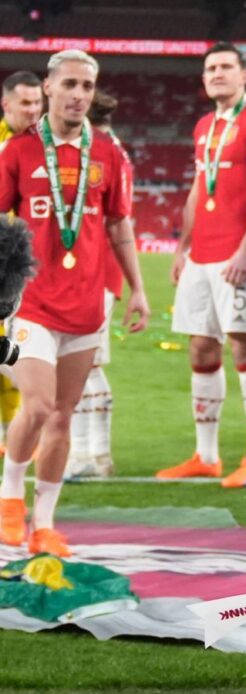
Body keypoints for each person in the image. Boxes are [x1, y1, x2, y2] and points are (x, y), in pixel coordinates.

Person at [0, 50, 149, 557]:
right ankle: (9, 499)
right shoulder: (19, 150)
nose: (79, 94)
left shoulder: (107, 152)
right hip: (33, 301)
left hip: (87, 305)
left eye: (87, 86)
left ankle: (44, 521)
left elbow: (118, 225)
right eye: (70, 84)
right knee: (38, 405)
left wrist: (138, 288)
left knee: (63, 416)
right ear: (49, 87)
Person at [158, 42, 246, 487]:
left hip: (238, 254)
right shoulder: (204, 126)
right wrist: (183, 247)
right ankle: (206, 455)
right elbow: (197, 189)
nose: (217, 74)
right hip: (202, 255)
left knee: (245, 345)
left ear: (244, 75)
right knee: (200, 347)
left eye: (226, 67)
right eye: (211, 68)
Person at [65, 90, 132, 479]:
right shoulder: (114, 150)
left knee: (80, 365)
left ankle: (85, 456)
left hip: (93, 270)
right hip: (100, 270)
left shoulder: (100, 152)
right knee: (89, 364)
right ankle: (98, 455)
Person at [0, 71, 43, 455]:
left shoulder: (46, 146)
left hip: (26, 271)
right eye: (24, 103)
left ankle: (12, 438)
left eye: (36, 103)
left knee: (15, 360)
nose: (32, 111)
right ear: (7, 104)